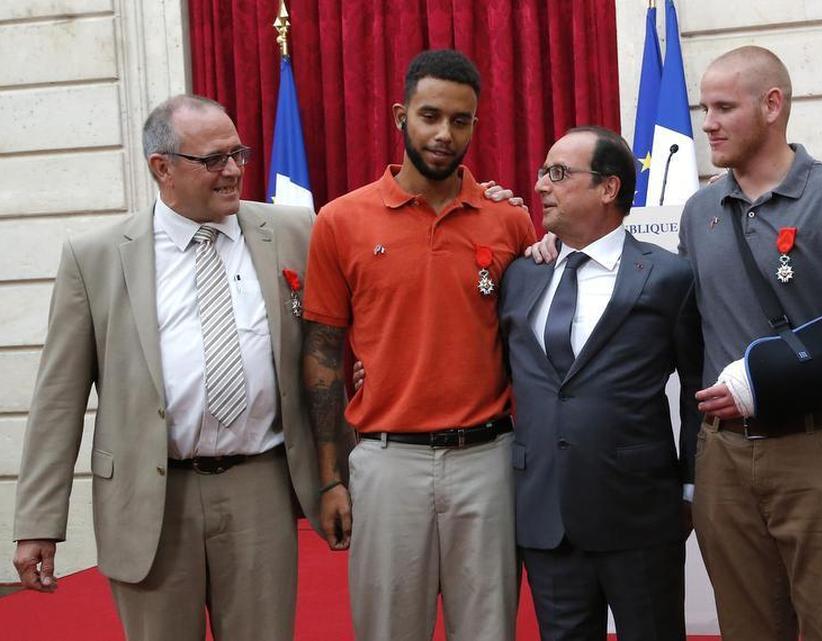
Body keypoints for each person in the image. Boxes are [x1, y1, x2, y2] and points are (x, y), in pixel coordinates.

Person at [10, 94, 321, 640]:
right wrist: (39, 522)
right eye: (213, 160)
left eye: (239, 154)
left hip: (259, 488)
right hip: (151, 497)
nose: (233, 172)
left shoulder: (297, 232)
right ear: (163, 168)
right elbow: (58, 400)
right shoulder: (98, 257)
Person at [301, 49, 536, 641]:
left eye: (460, 121)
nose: (443, 134)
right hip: (386, 463)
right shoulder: (339, 220)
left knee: (489, 631)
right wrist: (330, 479)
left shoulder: (509, 221)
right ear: (401, 115)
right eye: (430, 116)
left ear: (475, 126)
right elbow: (325, 354)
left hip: (487, 461)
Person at [681, 46, 822, 640]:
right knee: (746, 629)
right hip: (723, 458)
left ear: (773, 105)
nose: (708, 124)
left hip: (821, 448)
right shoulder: (699, 211)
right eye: (705, 107)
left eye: (724, 107)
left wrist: (768, 380)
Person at [499, 126, 702, 639]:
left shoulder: (668, 277)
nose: (543, 185)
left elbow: (697, 391)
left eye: (560, 173)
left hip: (638, 513)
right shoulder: (522, 274)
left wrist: (691, 486)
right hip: (545, 513)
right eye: (544, 172)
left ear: (608, 189)